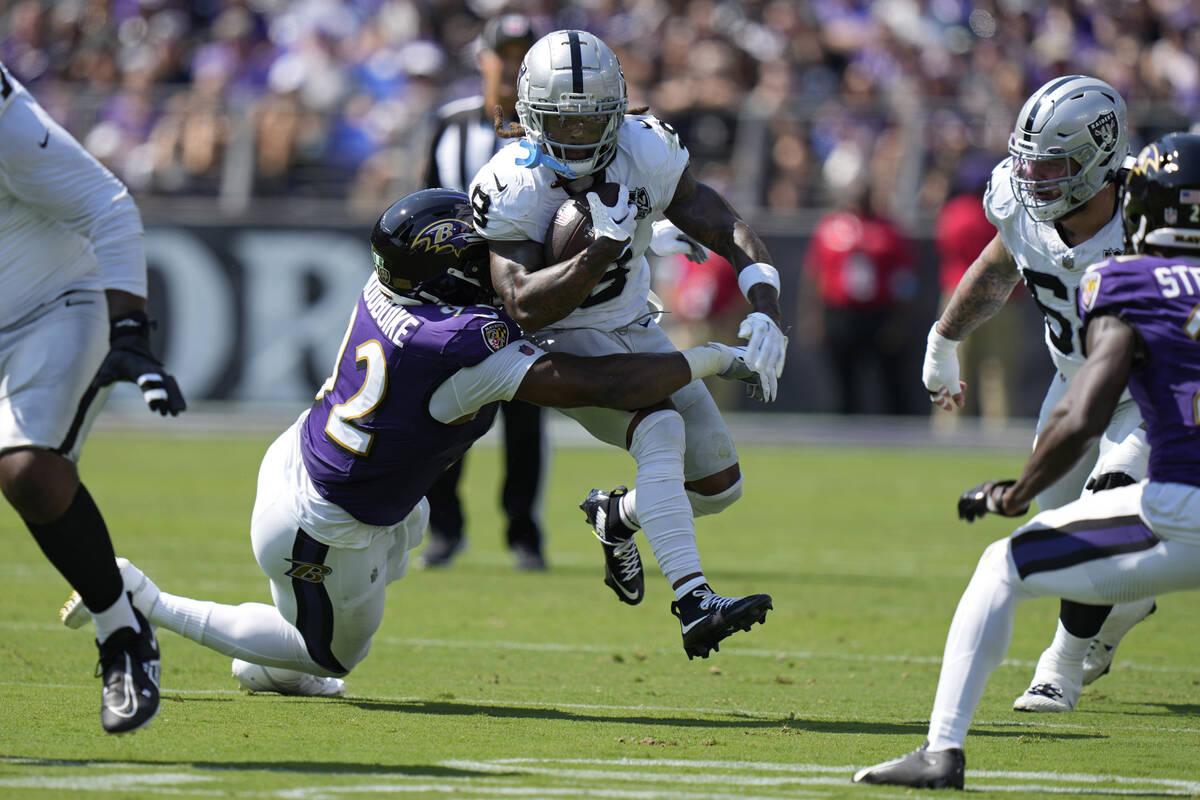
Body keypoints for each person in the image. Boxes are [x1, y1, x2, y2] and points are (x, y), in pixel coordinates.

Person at [60, 189, 768, 695]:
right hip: (324, 525)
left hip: (320, 465)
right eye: (478, 252)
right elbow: (601, 384)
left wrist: (643, 240)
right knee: (330, 658)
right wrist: (713, 358)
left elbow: (507, 283)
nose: (494, 258)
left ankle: (281, 657)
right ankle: (139, 595)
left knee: (400, 538)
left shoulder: (390, 289)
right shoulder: (460, 346)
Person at [854, 131, 1200, 789]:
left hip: (1178, 510)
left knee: (1004, 563)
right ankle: (1101, 625)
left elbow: (1082, 415)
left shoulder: (1128, 280)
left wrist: (1016, 491)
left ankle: (943, 750)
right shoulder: (1032, 218)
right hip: (1168, 496)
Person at [467, 30, 787, 659]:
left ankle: (618, 517)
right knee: (659, 429)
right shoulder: (512, 182)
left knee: (720, 487)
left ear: (618, 113)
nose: (582, 136)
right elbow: (525, 306)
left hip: (635, 324)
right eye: (566, 120)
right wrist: (605, 250)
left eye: (594, 120)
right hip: (559, 342)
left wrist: (768, 307)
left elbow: (721, 221)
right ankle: (695, 603)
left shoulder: (648, 147)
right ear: (533, 116)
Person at [920, 75, 1155, 712]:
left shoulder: (1154, 213)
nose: (1036, 179)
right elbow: (1001, 265)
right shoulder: (1017, 200)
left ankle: (1062, 664)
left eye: (1056, 164)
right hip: (1074, 381)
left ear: (1102, 158)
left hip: (1152, 390)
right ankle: (1122, 606)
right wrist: (944, 338)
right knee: (1057, 526)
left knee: (1103, 510)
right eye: (1030, 162)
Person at [0, 62, 186, 734]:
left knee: (31, 472)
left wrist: (131, 332)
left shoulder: (10, 126)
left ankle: (121, 633)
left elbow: (109, 206)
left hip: (55, 304)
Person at [419, 13, 547, 571]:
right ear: (483, 59)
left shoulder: (549, 126)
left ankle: (523, 533)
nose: (514, 62)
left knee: (524, 420)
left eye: (524, 52)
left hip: (523, 296)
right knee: (446, 415)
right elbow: (423, 203)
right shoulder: (450, 125)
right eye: (506, 51)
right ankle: (445, 527)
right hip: (458, 295)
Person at [803, 181, 917, 415]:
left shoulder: (889, 230)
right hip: (840, 313)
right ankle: (843, 439)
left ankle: (898, 440)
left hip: (880, 313)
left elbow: (905, 279)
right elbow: (814, 276)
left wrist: (899, 321)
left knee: (891, 384)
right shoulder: (830, 228)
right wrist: (813, 317)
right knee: (842, 385)